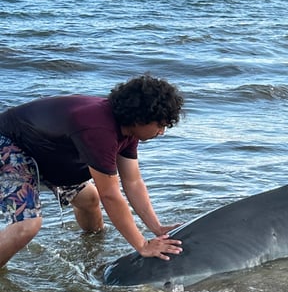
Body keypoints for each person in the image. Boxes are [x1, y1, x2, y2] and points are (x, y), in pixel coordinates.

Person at [0, 73, 185, 270]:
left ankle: (91, 252)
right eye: (160, 124)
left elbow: (133, 182)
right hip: (9, 142)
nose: (162, 131)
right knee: (27, 226)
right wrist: (142, 245)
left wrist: (157, 228)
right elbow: (111, 195)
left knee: (89, 200)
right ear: (141, 118)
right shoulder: (98, 130)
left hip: (47, 151)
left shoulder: (129, 130)